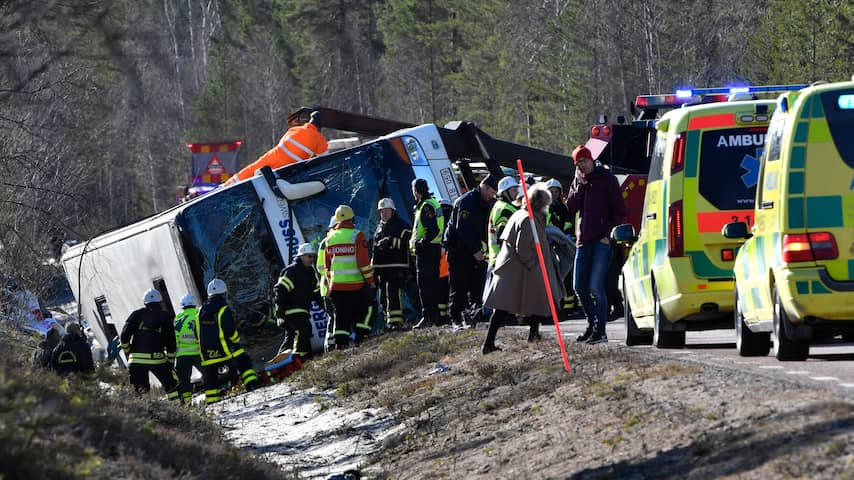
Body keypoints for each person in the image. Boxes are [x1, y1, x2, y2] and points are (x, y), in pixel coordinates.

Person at [482, 184, 565, 353]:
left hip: (515, 269)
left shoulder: (523, 214)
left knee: (534, 302)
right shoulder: (528, 219)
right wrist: (533, 265)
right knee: (505, 307)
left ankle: (532, 335)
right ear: (540, 203)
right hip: (519, 269)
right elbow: (523, 247)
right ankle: (489, 344)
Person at [565, 146, 626, 345]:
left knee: (595, 287)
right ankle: (591, 325)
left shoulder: (607, 178)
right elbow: (571, 207)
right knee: (578, 286)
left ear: (592, 160)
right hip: (583, 241)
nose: (583, 164)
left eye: (585, 160)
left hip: (602, 241)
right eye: (579, 162)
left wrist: (609, 235)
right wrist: (580, 185)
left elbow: (619, 210)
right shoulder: (579, 180)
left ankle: (601, 331)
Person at [196, 279, 263, 405]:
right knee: (244, 360)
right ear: (224, 294)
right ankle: (252, 384)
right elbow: (230, 331)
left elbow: (197, 332)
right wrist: (236, 340)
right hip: (225, 351)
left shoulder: (200, 311)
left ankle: (213, 401)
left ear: (209, 294)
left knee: (210, 377)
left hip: (207, 354)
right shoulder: (224, 308)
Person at [443, 174, 497, 329]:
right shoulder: (466, 202)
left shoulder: (486, 202)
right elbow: (463, 229)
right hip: (458, 250)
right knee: (459, 286)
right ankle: (456, 319)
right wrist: (475, 250)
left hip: (474, 251)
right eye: (491, 192)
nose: (492, 196)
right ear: (484, 187)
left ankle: (473, 317)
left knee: (477, 285)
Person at [223, 110, 327, 186]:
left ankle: (227, 185)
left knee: (251, 169)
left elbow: (284, 139)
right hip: (290, 168)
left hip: (274, 156)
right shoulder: (320, 139)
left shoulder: (295, 129)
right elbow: (324, 159)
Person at [324, 205, 375, 348]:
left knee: (341, 317)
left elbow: (327, 267)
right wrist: (370, 281)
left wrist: (330, 285)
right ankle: (360, 337)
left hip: (337, 288)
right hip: (356, 285)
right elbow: (363, 263)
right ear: (352, 219)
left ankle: (341, 345)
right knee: (366, 309)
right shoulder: (357, 235)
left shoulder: (329, 238)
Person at [120, 289, 180, 400]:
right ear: (160, 301)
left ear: (145, 302)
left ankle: (148, 416)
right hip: (157, 359)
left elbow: (124, 337)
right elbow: (171, 342)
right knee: (171, 385)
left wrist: (129, 354)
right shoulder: (166, 317)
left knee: (141, 392)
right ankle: (179, 411)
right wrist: (170, 363)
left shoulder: (136, 315)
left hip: (136, 361)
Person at [274, 243, 321, 360]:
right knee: (303, 330)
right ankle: (297, 358)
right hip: (290, 311)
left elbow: (316, 293)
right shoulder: (292, 271)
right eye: (309, 256)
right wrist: (280, 310)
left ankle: (281, 363)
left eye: (313, 257)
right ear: (301, 256)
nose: (312, 259)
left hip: (302, 311)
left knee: (292, 337)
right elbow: (280, 289)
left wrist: (326, 306)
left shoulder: (310, 273)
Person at [371, 198, 411, 331]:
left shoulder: (401, 225)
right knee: (383, 297)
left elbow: (408, 243)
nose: (384, 213)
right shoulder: (379, 227)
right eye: (382, 211)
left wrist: (391, 241)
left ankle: (397, 323)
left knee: (393, 293)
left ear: (393, 211)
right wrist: (373, 266)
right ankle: (389, 322)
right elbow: (375, 248)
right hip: (381, 268)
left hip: (397, 266)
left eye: (387, 210)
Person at [409, 179, 444, 329]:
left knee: (425, 285)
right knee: (432, 284)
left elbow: (433, 229)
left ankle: (428, 317)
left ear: (416, 190)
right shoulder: (430, 203)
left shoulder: (426, 205)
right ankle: (434, 317)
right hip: (433, 249)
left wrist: (420, 243)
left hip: (427, 251)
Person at [545, 178, 579, 318]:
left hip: (563, 243)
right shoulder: (545, 207)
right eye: (551, 192)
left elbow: (568, 222)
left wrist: (567, 235)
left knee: (567, 273)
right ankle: (558, 307)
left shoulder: (563, 207)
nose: (554, 194)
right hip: (550, 244)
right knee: (555, 275)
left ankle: (569, 307)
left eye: (556, 191)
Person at [485, 176, 520, 289]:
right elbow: (504, 237)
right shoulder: (505, 209)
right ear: (505, 192)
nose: (517, 192)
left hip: (500, 259)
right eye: (513, 190)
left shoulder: (502, 206)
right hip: (503, 260)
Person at [173, 293, 201, 404]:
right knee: (209, 375)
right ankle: (213, 397)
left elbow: (174, 339)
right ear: (194, 304)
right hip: (199, 353)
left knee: (184, 382)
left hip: (182, 356)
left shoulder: (178, 319)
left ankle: (187, 403)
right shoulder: (199, 314)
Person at [437, 199, 454, 324]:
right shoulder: (453, 221)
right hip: (452, 264)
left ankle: (444, 317)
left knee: (442, 292)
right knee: (451, 290)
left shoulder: (438, 221)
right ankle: (451, 315)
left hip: (441, 266)